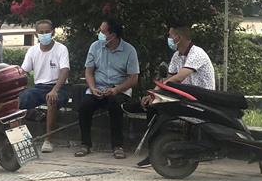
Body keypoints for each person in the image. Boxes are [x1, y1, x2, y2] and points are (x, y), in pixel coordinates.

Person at [136, 25, 216, 167]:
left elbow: (178, 78)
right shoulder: (177, 56)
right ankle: (154, 152)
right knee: (154, 106)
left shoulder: (197, 53)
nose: (169, 38)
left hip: (201, 100)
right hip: (187, 97)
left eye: (170, 35)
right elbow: (168, 79)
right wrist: (154, 94)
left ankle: (160, 152)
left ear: (178, 37)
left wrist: (158, 90)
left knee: (162, 110)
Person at [75, 18, 139, 159]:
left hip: (119, 89)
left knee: (115, 105)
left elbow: (133, 78)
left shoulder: (129, 50)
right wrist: (93, 88)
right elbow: (89, 72)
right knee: (84, 106)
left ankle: (118, 146)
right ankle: (85, 144)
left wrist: (116, 90)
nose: (100, 34)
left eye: (103, 32)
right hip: (98, 88)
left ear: (113, 35)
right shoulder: (95, 46)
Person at [18, 20, 70, 153]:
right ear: (36, 34)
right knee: (19, 100)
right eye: (41, 32)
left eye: (47, 32)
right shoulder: (32, 50)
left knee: (51, 99)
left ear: (52, 32)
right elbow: (24, 71)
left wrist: (55, 90)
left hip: (59, 87)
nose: (44, 34)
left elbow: (65, 71)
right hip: (39, 87)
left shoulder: (61, 49)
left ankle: (48, 140)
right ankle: (20, 140)